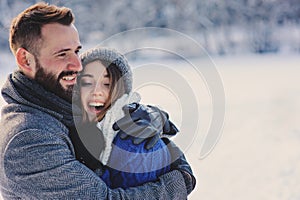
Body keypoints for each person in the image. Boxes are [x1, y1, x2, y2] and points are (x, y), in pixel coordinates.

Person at [0, 2, 195, 199]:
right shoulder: (29, 137)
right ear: (25, 60)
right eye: (62, 54)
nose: (77, 65)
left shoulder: (56, 108)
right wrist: (178, 182)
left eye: (76, 51)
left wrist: (149, 134)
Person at [74, 46, 175, 189]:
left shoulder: (135, 143)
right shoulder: (71, 130)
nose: (96, 92)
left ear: (121, 91)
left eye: (107, 84)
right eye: (87, 83)